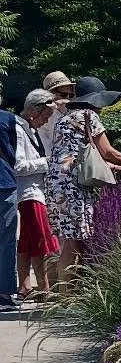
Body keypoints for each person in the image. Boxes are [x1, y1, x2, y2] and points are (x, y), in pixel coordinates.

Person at [48, 76, 121, 288]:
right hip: (74, 188)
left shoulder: (63, 119)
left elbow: (84, 157)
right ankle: (65, 296)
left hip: (57, 185)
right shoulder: (89, 116)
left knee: (68, 239)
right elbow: (107, 151)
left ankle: (63, 292)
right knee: (73, 242)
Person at [17, 91, 61, 299]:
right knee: (41, 241)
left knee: (27, 242)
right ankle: (44, 287)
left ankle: (25, 286)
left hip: (34, 192)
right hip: (29, 194)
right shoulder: (19, 130)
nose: (45, 122)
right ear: (34, 110)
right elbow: (18, 165)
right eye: (45, 116)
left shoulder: (31, 131)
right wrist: (49, 162)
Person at [0, 93, 18, 313]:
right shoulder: (7, 119)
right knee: (5, 240)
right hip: (4, 181)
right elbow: (12, 152)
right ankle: (4, 293)